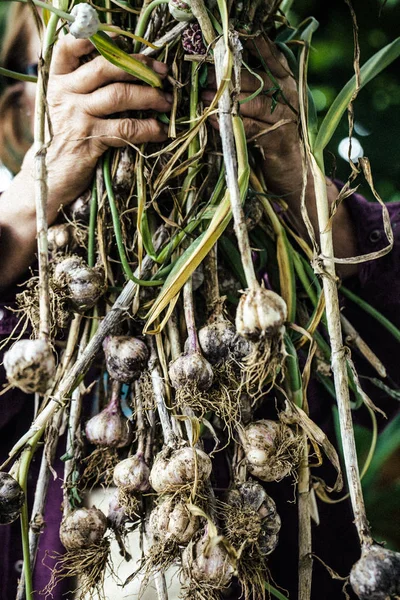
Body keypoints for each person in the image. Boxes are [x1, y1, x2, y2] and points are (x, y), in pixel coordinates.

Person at [0, 3, 399, 599]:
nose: (128, 75)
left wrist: (300, 180)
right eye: (86, 57)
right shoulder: (27, 267)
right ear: (19, 106)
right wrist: (32, 203)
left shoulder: (280, 255)